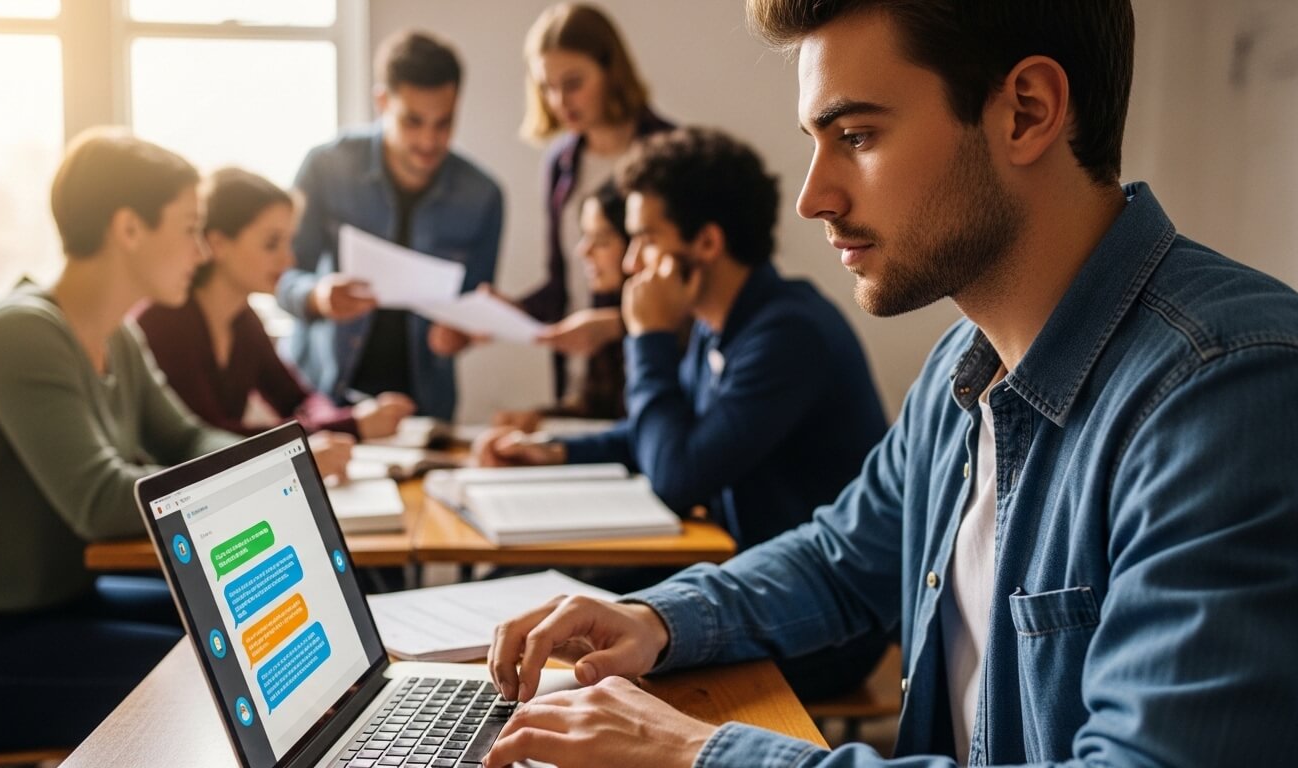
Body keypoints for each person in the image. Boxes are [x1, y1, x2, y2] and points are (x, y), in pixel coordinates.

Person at [483, 1, 1298, 766]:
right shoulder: (961, 365)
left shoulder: (1228, 395)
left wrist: (700, 752)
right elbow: (841, 560)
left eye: (858, 135)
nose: (813, 196)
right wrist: (657, 618)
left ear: (1027, 111)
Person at [477, 127, 890, 697]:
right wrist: (553, 449)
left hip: (807, 622)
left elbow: (677, 475)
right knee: (522, 590)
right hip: (738, 579)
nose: (628, 261)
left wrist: (648, 338)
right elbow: (659, 436)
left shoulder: (789, 334)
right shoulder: (716, 323)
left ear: (707, 244)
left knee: (587, 655)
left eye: (645, 238)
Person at [0, 129, 243, 751]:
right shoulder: (21, 333)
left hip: (48, 605)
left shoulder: (118, 338)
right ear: (128, 227)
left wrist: (268, 466)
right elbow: (99, 500)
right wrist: (242, 479)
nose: (202, 248)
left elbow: (186, 436)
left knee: (234, 622)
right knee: (217, 675)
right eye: (189, 226)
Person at [277, 30, 503, 421]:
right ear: (382, 101)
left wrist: (463, 332)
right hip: (321, 399)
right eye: (413, 121)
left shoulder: (483, 195)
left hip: (423, 410)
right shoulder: (326, 166)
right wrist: (317, 296)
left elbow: (472, 305)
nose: (429, 141)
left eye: (444, 123)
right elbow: (280, 277)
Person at [136, 167, 414, 444]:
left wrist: (344, 422)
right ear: (218, 243)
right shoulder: (164, 322)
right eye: (272, 244)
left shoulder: (244, 321)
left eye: (288, 242)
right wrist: (351, 425)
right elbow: (209, 437)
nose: (289, 260)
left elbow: (298, 398)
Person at [516, 3, 675, 406]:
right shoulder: (560, 163)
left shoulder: (668, 154)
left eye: (572, 83)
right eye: (546, 87)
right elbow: (562, 284)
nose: (559, 101)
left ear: (610, 70)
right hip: (578, 384)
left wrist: (612, 326)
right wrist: (504, 313)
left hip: (651, 371)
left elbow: (690, 289)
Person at [496, 179, 633, 430]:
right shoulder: (606, 303)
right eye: (584, 237)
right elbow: (599, 409)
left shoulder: (672, 327)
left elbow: (634, 428)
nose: (583, 251)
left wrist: (621, 326)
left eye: (601, 241)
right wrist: (538, 419)